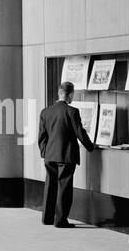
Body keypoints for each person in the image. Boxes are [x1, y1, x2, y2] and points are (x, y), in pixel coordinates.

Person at [37, 81, 97, 227]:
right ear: (70, 95)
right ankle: (60, 220)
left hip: (50, 156)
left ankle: (47, 218)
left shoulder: (45, 111)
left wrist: (45, 153)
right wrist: (91, 147)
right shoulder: (72, 111)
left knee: (50, 186)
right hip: (66, 156)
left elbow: (42, 137)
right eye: (72, 95)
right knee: (64, 187)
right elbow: (80, 133)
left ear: (59, 93)